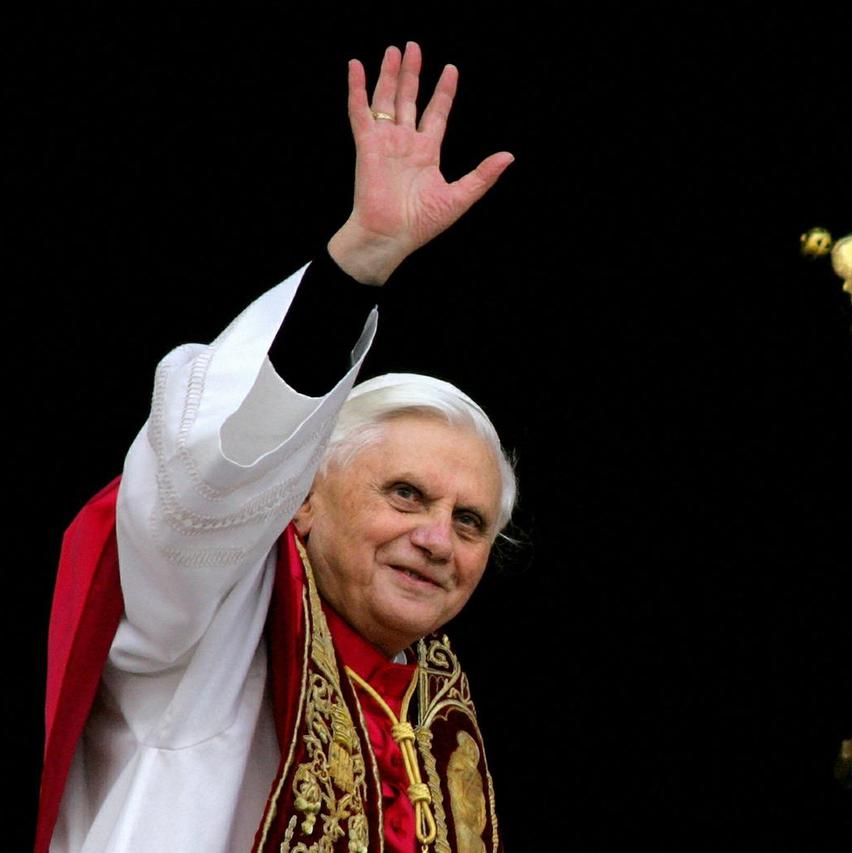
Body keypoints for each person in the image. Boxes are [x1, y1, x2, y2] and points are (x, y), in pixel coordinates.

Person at [37, 42, 514, 853]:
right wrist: (357, 263)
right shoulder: (205, 621)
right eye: (404, 493)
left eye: (469, 521)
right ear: (302, 499)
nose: (437, 538)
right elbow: (211, 483)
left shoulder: (432, 701)